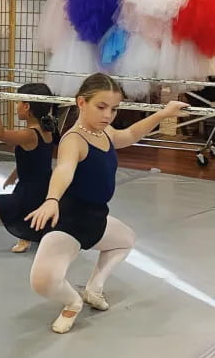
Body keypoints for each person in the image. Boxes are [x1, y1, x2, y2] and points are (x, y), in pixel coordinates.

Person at [24, 73, 189, 333]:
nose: (108, 115)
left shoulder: (104, 131)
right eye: (101, 107)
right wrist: (52, 199)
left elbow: (130, 134)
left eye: (113, 109)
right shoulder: (74, 139)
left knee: (126, 240)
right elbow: (64, 169)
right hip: (70, 224)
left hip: (97, 219)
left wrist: (163, 113)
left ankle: (94, 288)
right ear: (81, 103)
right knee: (42, 282)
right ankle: (72, 301)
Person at [0, 83, 60, 253]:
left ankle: (26, 225)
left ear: (27, 106)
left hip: (29, 196)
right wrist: (14, 175)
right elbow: (36, 160)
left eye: (17, 103)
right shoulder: (48, 130)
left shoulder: (30, 134)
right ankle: (31, 226)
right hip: (41, 191)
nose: (16, 108)